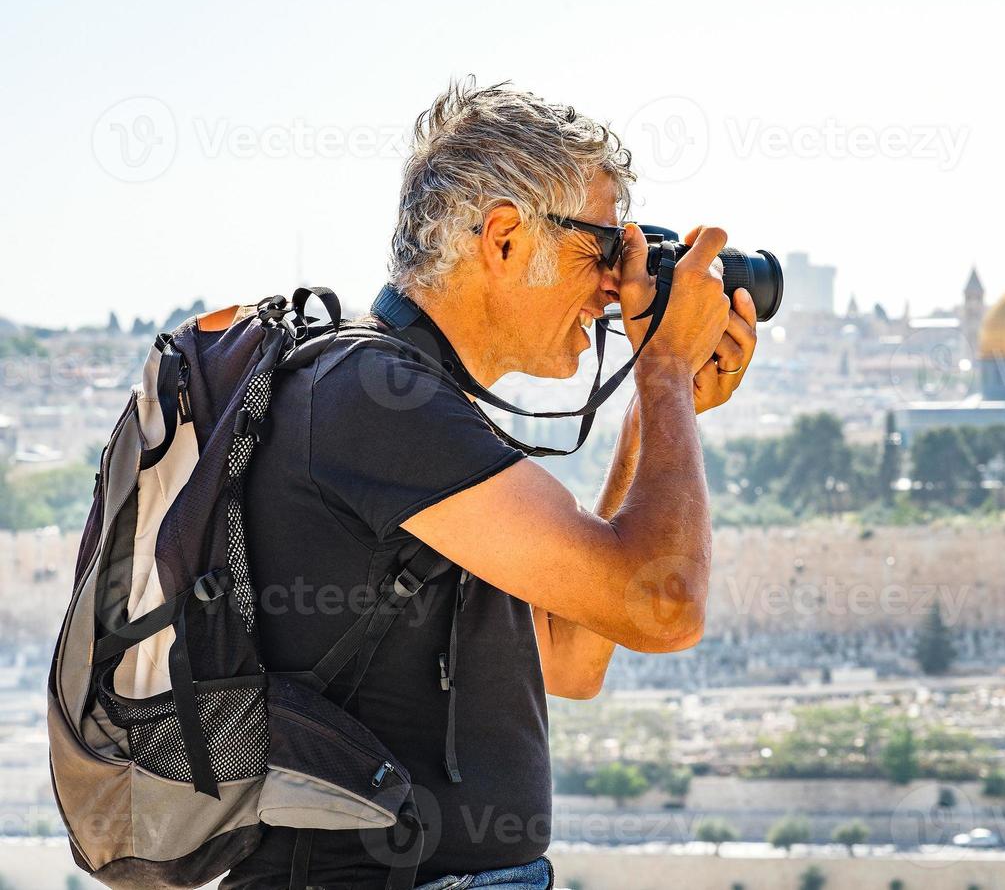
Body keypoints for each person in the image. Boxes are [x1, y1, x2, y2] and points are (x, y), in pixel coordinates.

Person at [224, 78, 756, 890]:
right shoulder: (374, 400)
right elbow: (666, 607)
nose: (619, 286)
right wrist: (664, 367)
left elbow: (575, 657)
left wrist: (662, 406)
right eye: (604, 249)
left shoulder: (408, 409)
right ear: (504, 237)